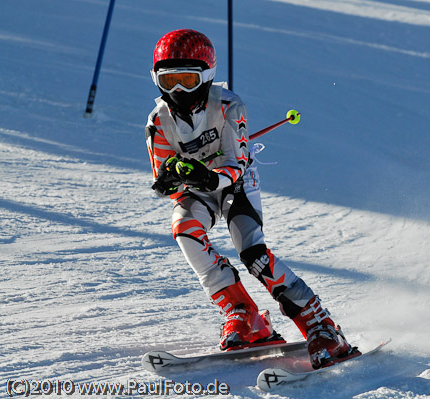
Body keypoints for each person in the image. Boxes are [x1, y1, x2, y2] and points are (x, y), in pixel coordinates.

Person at [145, 29, 356, 368]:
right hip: (199, 190)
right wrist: (170, 179)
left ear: (207, 76)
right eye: (170, 81)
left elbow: (238, 162)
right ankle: (244, 314)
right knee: (184, 229)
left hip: (235, 183)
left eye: (187, 79)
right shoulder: (159, 122)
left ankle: (321, 325)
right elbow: (164, 182)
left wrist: (208, 176)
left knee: (253, 252)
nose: (179, 90)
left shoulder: (227, 104)